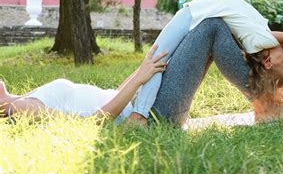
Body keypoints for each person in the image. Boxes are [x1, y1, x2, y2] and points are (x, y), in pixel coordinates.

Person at [129, 0, 283, 125]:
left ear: (269, 62)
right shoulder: (257, 38)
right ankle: (273, 105)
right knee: (159, 57)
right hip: (161, 112)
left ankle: (274, 106)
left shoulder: (257, 41)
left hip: (159, 114)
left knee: (160, 55)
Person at [0, 46, 167, 123]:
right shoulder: (22, 108)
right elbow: (93, 121)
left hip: (136, 100)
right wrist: (139, 79)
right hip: (143, 113)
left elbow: (112, 95)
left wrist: (140, 70)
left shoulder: (22, 100)